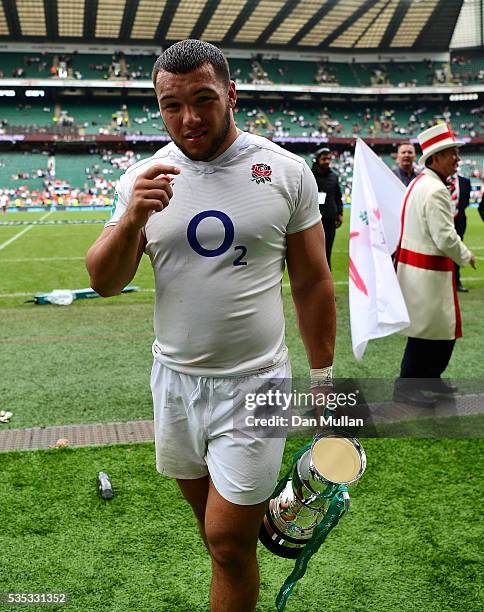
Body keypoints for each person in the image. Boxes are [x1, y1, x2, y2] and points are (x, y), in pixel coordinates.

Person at [85, 39, 335, 612]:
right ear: (158, 105)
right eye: (172, 105)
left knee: (224, 540)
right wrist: (131, 219)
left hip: (256, 385)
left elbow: (313, 282)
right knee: (220, 541)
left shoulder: (286, 173)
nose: (189, 118)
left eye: (203, 99)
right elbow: (103, 280)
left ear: (231, 94)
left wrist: (323, 380)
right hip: (174, 382)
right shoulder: (140, 181)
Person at [393, 123, 476, 407]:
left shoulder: (419, 183)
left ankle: (430, 378)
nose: (457, 158)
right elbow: (445, 237)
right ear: (435, 158)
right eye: (451, 153)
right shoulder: (436, 189)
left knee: (434, 329)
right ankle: (406, 386)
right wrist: (466, 255)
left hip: (419, 269)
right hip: (428, 272)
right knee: (428, 331)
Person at [311, 147, 343, 269]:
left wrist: (340, 213)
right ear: (317, 159)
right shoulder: (309, 175)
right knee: (313, 251)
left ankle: (326, 277)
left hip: (329, 220)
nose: (327, 161)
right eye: (324, 158)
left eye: (329, 158)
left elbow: (338, 197)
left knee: (327, 250)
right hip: (312, 220)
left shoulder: (334, 177)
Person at [448, 172, 472, 291]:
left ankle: (456, 281)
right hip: (443, 220)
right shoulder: (439, 180)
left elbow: (465, 202)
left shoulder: (465, 181)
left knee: (457, 249)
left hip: (459, 221)